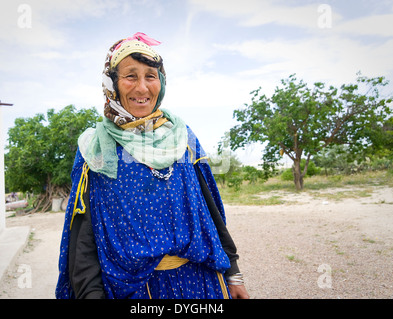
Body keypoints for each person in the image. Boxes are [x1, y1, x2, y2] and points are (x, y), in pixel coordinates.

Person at [56, 32, 249, 299]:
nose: (142, 88)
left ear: (162, 82)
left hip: (200, 285)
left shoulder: (182, 137)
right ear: (112, 84)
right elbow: (83, 237)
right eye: (130, 76)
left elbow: (211, 210)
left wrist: (233, 273)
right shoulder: (96, 147)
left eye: (150, 76)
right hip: (133, 290)